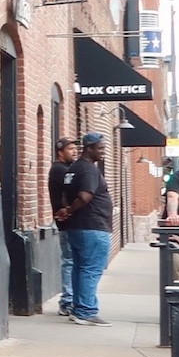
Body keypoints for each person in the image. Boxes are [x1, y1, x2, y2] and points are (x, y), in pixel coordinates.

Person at [58, 131, 113, 324]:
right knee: (91, 269)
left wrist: (66, 211)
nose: (103, 152)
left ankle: (78, 308)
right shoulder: (89, 169)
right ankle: (86, 311)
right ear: (89, 149)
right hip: (93, 226)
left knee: (79, 268)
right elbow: (85, 196)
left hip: (77, 228)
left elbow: (65, 194)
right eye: (100, 148)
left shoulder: (73, 168)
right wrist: (71, 210)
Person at [47, 135, 80, 317]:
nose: (74, 151)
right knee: (69, 261)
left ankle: (70, 300)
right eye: (70, 149)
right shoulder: (60, 170)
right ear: (60, 152)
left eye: (75, 148)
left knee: (72, 261)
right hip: (66, 222)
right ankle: (67, 302)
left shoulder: (65, 169)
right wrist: (65, 211)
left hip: (68, 221)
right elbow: (63, 195)